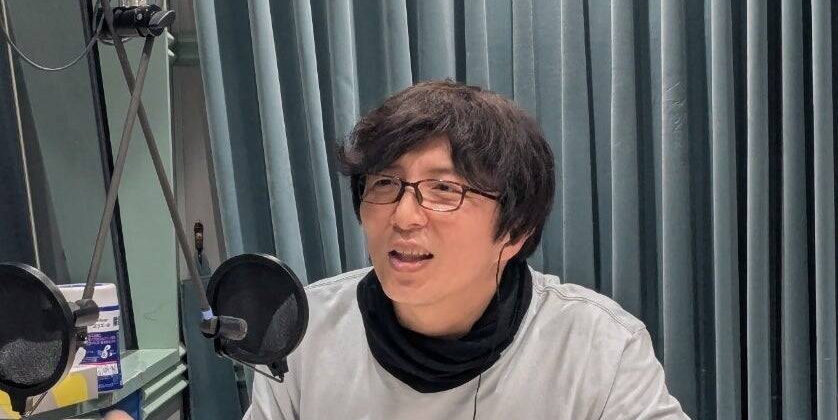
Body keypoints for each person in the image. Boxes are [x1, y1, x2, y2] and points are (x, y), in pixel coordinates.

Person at [244, 80, 687, 419]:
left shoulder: (596, 345)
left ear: (516, 230)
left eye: (444, 189)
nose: (403, 216)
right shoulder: (303, 331)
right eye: (384, 183)